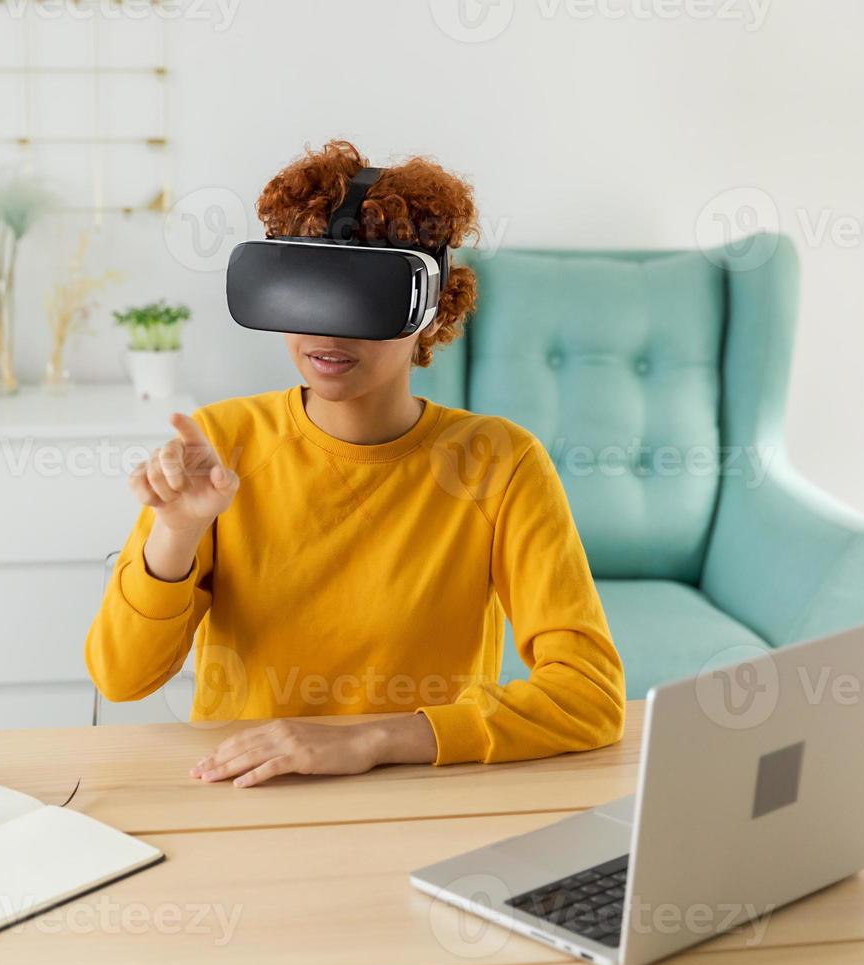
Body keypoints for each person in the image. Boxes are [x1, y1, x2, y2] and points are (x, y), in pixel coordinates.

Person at [86, 139, 624, 787]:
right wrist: (175, 535)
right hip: (244, 790)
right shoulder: (219, 447)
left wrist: (375, 740)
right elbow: (121, 680)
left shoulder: (499, 463)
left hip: (422, 789)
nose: (327, 333)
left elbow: (589, 695)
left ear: (432, 306)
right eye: (307, 289)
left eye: (363, 294)